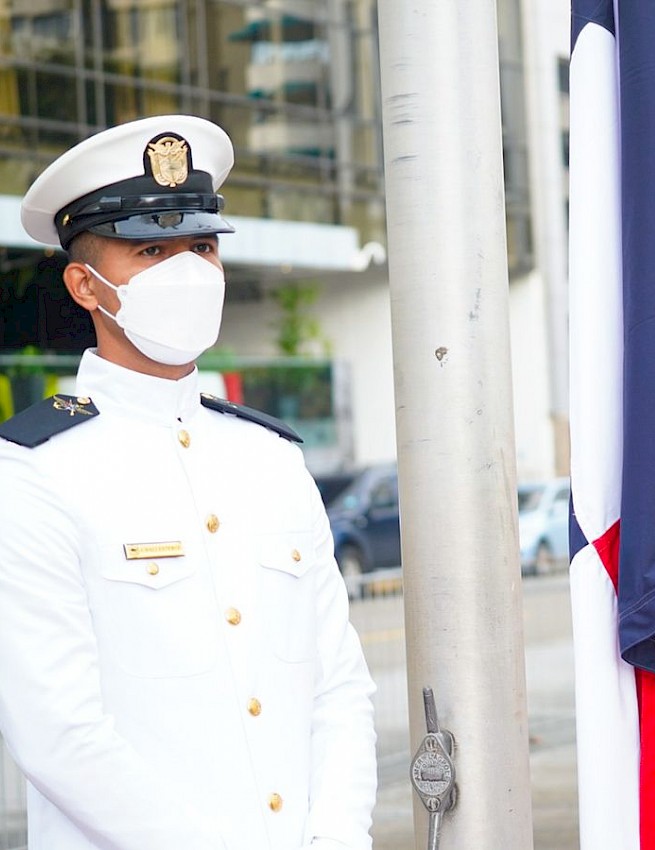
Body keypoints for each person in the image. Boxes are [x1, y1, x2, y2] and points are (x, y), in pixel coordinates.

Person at [0, 115, 377, 850]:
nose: (189, 270)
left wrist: (336, 838)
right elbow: (59, 736)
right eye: (152, 249)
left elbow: (338, 689)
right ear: (85, 284)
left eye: (202, 245)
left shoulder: (269, 458)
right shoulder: (35, 472)